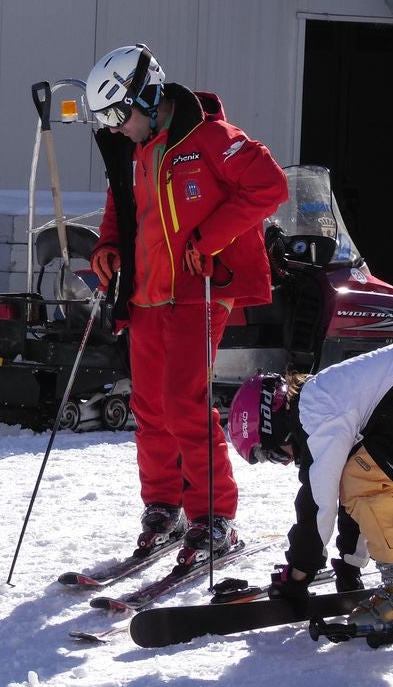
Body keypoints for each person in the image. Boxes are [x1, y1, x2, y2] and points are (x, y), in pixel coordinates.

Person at [86, 43, 288, 564]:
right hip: (146, 292)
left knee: (184, 401)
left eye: (118, 113)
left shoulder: (212, 139)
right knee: (148, 405)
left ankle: (213, 515)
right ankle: (162, 505)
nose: (113, 127)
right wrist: (107, 246)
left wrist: (211, 238)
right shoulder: (135, 150)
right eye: (105, 118)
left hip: (198, 290)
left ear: (149, 95)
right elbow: (122, 206)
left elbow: (270, 186)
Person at [227, 337, 393, 626]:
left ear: (272, 423)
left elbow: (318, 502)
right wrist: (350, 566)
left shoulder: (314, 410)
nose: (287, 461)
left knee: (363, 480)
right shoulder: (329, 397)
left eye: (274, 454)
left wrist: (297, 575)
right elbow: (344, 491)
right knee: (366, 475)